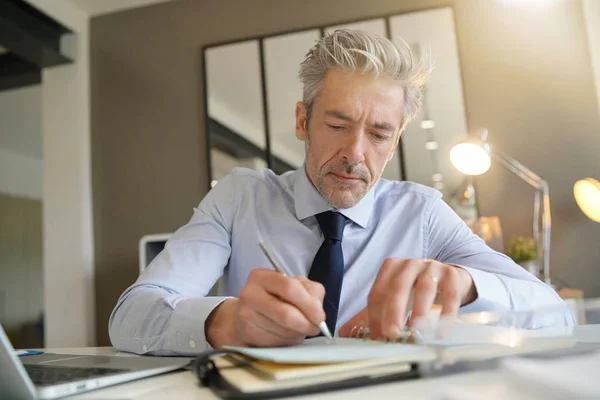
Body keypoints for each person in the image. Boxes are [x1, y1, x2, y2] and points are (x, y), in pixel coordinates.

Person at [109, 29, 573, 355]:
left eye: (378, 134)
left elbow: (558, 315)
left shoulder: (423, 213)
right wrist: (226, 322)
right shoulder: (240, 198)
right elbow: (131, 316)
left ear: (395, 140)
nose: (355, 153)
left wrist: (471, 286)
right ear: (301, 121)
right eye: (337, 125)